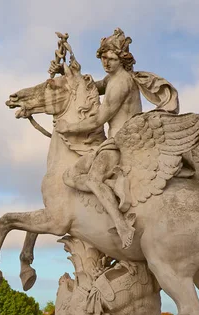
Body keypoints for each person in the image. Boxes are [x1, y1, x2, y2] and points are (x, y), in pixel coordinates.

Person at [50, 28, 179, 248]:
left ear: (122, 59)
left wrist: (68, 128)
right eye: (103, 58)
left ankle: (122, 225)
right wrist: (67, 70)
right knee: (70, 176)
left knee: (92, 178)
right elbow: (91, 87)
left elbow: (99, 118)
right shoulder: (112, 79)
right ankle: (112, 187)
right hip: (111, 143)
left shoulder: (121, 82)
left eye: (111, 59)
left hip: (121, 143)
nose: (106, 63)